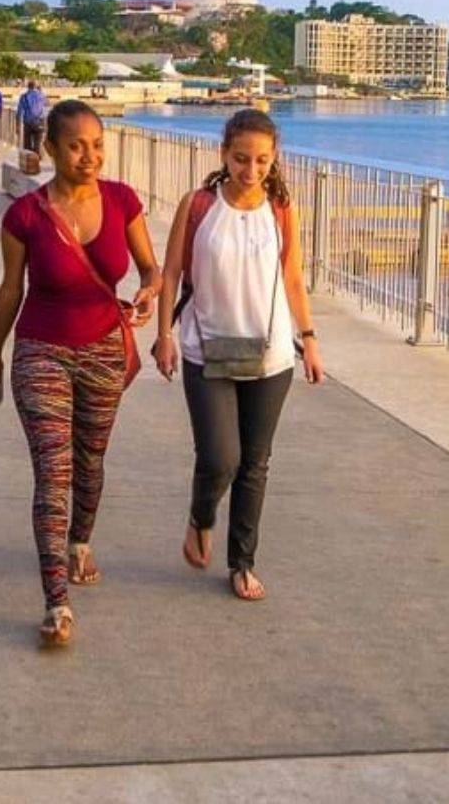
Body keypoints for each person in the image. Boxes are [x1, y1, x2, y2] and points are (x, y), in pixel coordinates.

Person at [0, 99, 160, 647]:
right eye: (77, 145)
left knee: (90, 459)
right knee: (53, 472)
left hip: (105, 348)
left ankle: (80, 540)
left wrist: (149, 292)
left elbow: (150, 267)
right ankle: (56, 600)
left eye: (98, 144)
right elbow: (12, 288)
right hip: (41, 351)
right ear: (51, 148)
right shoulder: (25, 216)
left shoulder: (123, 200)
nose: (90, 156)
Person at [153, 108, 325, 602]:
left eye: (262, 160)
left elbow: (293, 278)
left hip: (270, 355)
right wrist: (164, 335)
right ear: (224, 154)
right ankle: (200, 515)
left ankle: (241, 563)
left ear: (275, 160)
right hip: (204, 349)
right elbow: (170, 276)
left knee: (255, 463)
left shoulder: (282, 209)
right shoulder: (199, 205)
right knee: (219, 457)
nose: (251, 170)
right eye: (242, 158)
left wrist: (309, 339)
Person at [17, 79, 48, 155]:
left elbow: (20, 111)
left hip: (28, 122)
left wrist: (17, 125)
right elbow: (47, 103)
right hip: (40, 121)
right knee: (38, 142)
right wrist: (41, 90)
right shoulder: (41, 95)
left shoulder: (24, 96)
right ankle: (36, 159)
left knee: (27, 144)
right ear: (36, 87)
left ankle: (29, 160)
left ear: (28, 87)